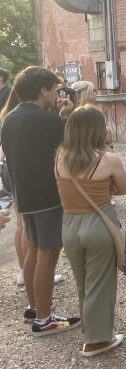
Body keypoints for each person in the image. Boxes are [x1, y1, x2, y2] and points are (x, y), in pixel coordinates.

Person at [0, 66, 80, 335]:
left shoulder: (10, 118)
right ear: (43, 90)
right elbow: (73, 149)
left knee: (35, 251)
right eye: (54, 88)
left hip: (24, 195)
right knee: (48, 255)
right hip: (47, 196)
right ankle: (44, 320)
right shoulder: (46, 120)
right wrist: (66, 118)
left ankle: (35, 308)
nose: (57, 93)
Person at [55, 106, 126, 355]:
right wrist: (108, 188)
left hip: (69, 225)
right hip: (98, 223)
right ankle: (97, 340)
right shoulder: (107, 159)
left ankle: (93, 330)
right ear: (97, 129)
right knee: (101, 283)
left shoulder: (60, 157)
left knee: (83, 283)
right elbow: (125, 187)